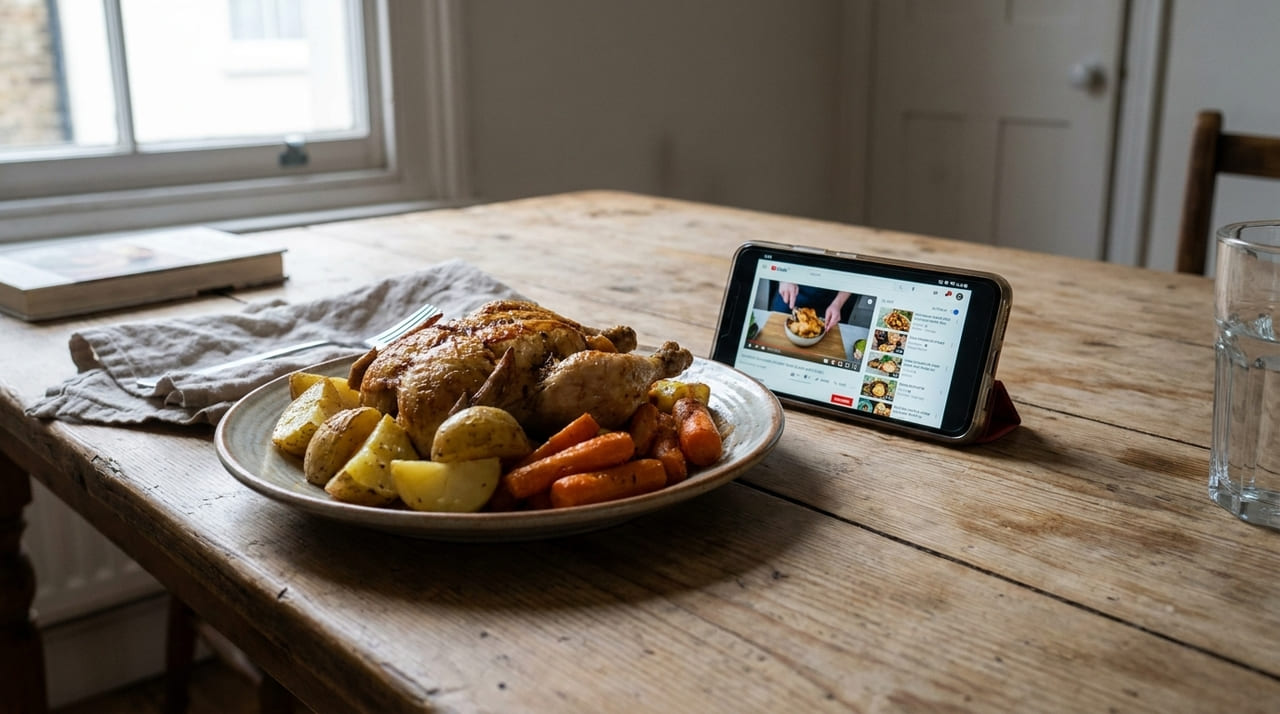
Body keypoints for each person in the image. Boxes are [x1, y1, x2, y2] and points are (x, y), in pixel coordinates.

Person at [772, 282, 851, 330]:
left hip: (833, 298)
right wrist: (785, 277)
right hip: (792, 289)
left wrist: (837, 304)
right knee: (775, 327)